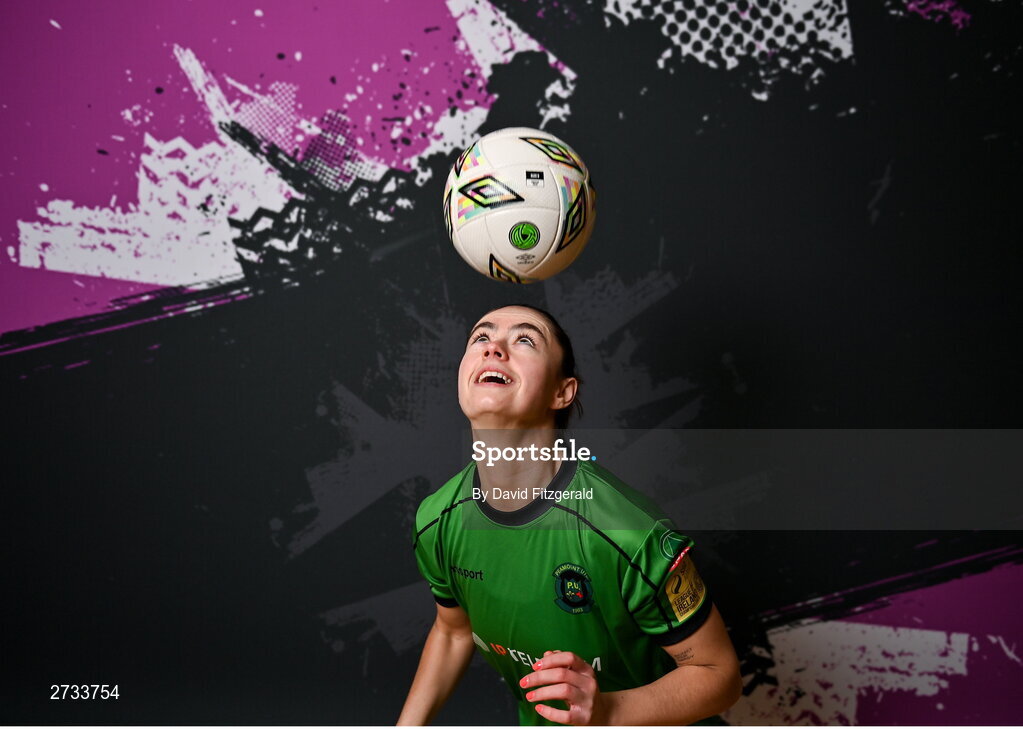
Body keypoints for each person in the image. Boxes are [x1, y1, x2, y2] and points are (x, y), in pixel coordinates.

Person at [398, 305, 741, 726]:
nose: (494, 349)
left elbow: (720, 676)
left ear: (563, 391)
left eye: (524, 340)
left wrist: (610, 710)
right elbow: (452, 633)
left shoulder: (629, 534)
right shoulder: (437, 520)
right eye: (480, 338)